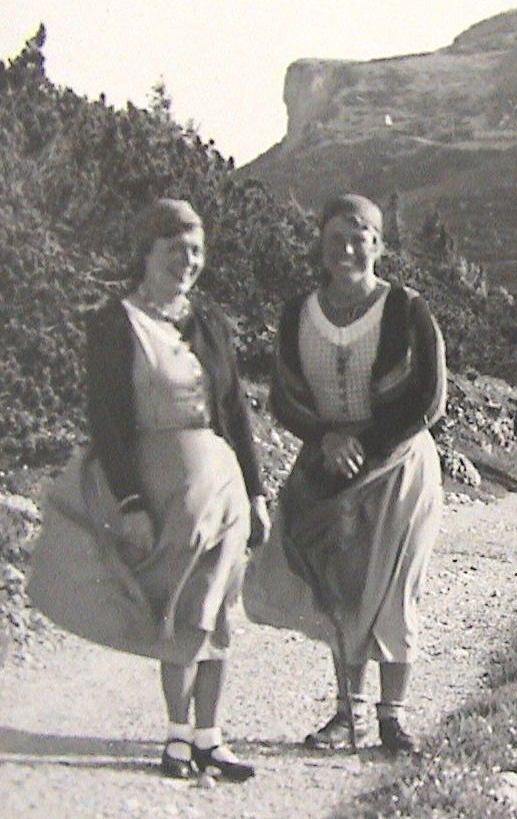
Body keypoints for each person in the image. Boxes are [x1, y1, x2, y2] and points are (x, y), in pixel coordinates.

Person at [28, 198, 270, 782]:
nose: (188, 261)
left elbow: (235, 412)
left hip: (223, 487)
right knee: (176, 607)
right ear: (147, 251)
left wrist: (259, 494)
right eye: (175, 248)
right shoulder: (115, 323)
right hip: (162, 486)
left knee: (216, 610)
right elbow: (107, 421)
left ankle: (210, 736)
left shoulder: (209, 322)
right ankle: (176, 734)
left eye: (197, 250)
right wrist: (130, 502)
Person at [243, 194, 446, 754]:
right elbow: (283, 395)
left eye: (361, 237)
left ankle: (393, 719)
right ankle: (348, 715)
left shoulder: (408, 310)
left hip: (399, 465)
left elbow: (430, 399)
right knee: (342, 591)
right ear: (321, 246)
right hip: (330, 469)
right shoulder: (297, 314)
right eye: (336, 238)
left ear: (379, 245)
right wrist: (326, 439)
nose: (348, 249)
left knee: (395, 588)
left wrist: (363, 442)